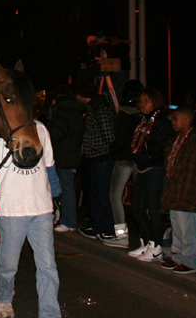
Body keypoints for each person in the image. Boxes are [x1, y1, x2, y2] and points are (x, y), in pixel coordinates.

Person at [0, 120, 64, 318]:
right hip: (11, 209)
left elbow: (49, 166)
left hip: (41, 209)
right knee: (9, 264)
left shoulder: (40, 129)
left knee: (48, 266)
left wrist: (56, 199)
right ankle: (4, 297)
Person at [159, 106, 196, 274]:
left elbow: (194, 171)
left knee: (188, 228)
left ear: (187, 120)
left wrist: (185, 192)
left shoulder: (195, 140)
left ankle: (190, 261)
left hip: (187, 192)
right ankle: (178, 256)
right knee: (177, 226)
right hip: (176, 190)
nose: (172, 122)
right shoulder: (179, 138)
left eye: (176, 118)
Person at [127, 87, 174, 261]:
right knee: (137, 208)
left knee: (154, 209)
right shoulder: (142, 122)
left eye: (146, 101)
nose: (142, 104)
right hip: (142, 167)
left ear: (155, 101)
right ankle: (147, 242)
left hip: (155, 168)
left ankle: (157, 245)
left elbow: (163, 146)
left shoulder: (161, 122)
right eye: (140, 101)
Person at [101, 79, 144, 247]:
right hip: (139, 160)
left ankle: (122, 235)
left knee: (115, 196)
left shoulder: (123, 116)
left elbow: (118, 140)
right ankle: (145, 237)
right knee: (141, 198)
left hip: (124, 159)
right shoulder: (144, 117)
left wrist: (113, 151)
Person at [76, 82, 116, 240]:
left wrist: (98, 148)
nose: (77, 97)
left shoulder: (99, 109)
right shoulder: (93, 109)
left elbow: (109, 135)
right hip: (94, 158)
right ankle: (98, 226)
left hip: (101, 158)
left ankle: (108, 228)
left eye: (79, 94)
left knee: (102, 195)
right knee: (95, 194)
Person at [47, 85, 85, 232]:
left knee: (65, 188)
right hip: (71, 154)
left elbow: (55, 133)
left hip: (63, 155)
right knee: (67, 187)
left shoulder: (62, 112)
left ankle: (68, 221)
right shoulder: (75, 110)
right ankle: (68, 220)